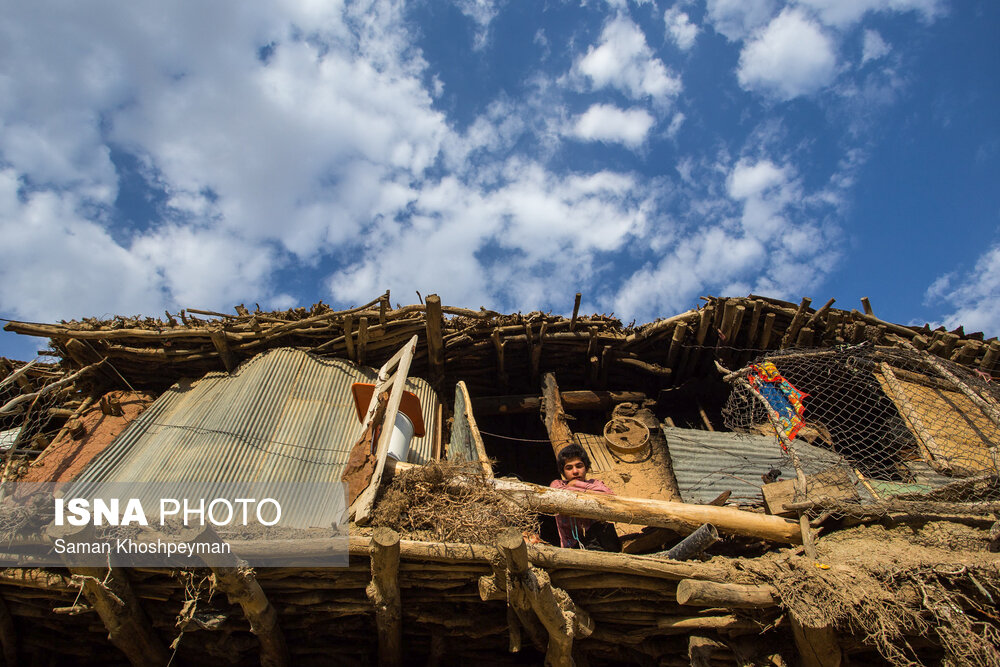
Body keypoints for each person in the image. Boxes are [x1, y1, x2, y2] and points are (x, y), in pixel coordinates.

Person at [549, 444, 622, 552]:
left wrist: (575, 484)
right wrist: (591, 492)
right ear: (563, 471)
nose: (575, 471)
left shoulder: (596, 483)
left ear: (586, 467)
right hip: (573, 546)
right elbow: (560, 495)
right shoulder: (557, 485)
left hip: (599, 541)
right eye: (569, 468)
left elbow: (610, 497)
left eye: (579, 466)